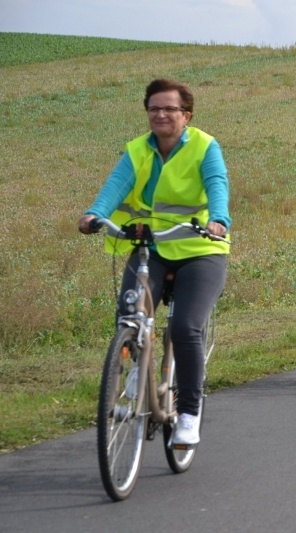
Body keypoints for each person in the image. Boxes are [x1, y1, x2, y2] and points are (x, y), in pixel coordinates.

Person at [78, 78, 231, 446]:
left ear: (186, 115)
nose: (161, 114)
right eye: (154, 108)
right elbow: (116, 185)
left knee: (184, 328)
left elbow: (217, 184)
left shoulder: (204, 146)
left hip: (200, 248)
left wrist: (219, 220)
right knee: (129, 312)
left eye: (169, 109)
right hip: (152, 246)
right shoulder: (137, 150)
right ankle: (137, 367)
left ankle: (189, 415)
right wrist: (94, 213)